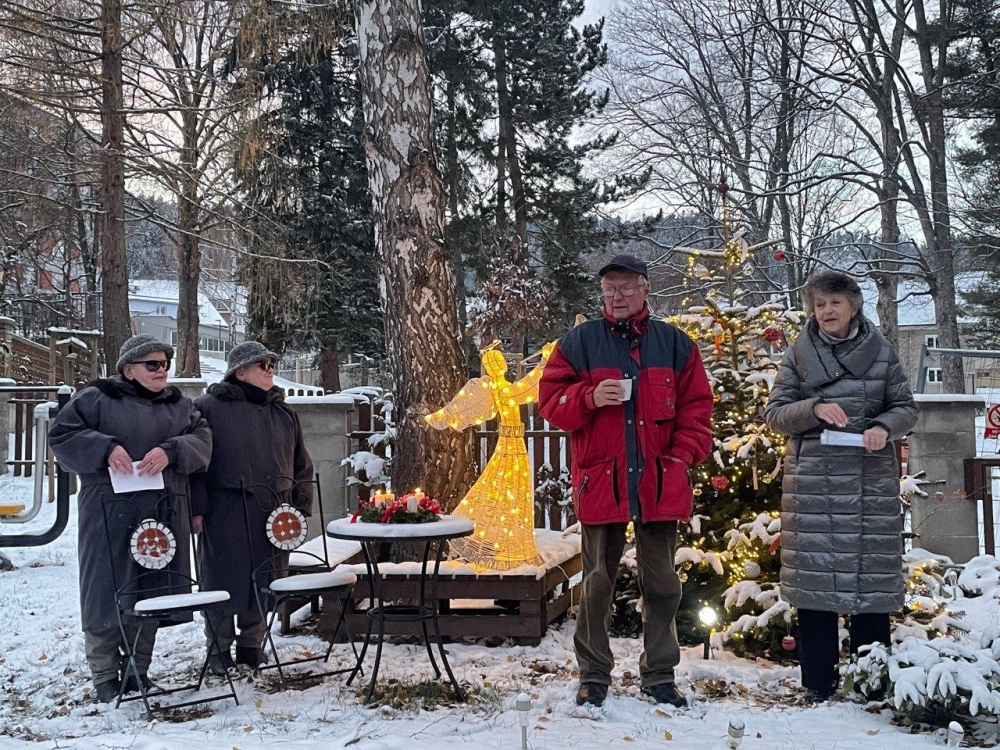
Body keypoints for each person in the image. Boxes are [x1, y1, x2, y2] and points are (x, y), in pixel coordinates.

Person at [539, 254, 713, 708]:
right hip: (603, 481)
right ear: (602, 294)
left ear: (645, 290)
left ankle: (659, 674)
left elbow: (698, 409)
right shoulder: (577, 344)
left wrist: (679, 457)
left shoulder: (676, 345)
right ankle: (593, 674)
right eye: (610, 290)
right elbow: (550, 403)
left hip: (659, 482)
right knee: (597, 582)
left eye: (626, 288)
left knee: (663, 583)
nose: (617, 297)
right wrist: (589, 396)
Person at [764, 270, 918, 702]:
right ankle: (818, 684)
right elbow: (775, 415)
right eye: (818, 304)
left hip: (869, 481)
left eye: (834, 303)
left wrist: (885, 428)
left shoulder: (882, 352)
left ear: (853, 306)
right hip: (813, 483)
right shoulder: (799, 354)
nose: (826, 311)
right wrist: (814, 408)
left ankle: (872, 685)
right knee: (814, 583)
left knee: (871, 585)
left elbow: (906, 407)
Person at [48, 334, 213, 703]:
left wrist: (172, 450)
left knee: (152, 593)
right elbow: (61, 434)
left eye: (164, 364)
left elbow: (203, 440)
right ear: (128, 369)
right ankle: (105, 675)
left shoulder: (180, 405)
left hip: (163, 513)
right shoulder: (96, 399)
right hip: (108, 514)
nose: (162, 371)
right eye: (152, 365)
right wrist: (105, 448)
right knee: (105, 592)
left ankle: (138, 671)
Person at [191, 341, 314, 674]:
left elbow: (302, 464)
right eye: (263, 364)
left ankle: (251, 646)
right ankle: (217, 651)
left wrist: (300, 507)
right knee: (220, 582)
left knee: (266, 581)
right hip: (225, 511)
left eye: (272, 363)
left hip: (275, 513)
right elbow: (195, 467)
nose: (270, 369)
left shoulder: (284, 413)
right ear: (240, 371)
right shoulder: (207, 408)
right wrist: (197, 509)